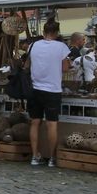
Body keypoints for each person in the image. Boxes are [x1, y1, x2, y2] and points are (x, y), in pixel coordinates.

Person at [28, 19, 70, 167]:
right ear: (57, 32)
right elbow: (65, 68)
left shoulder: (33, 45)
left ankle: (35, 156)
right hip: (52, 90)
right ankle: (52, 158)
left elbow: (28, 64)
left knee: (35, 122)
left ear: (43, 31)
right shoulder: (61, 47)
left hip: (35, 88)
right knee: (51, 124)